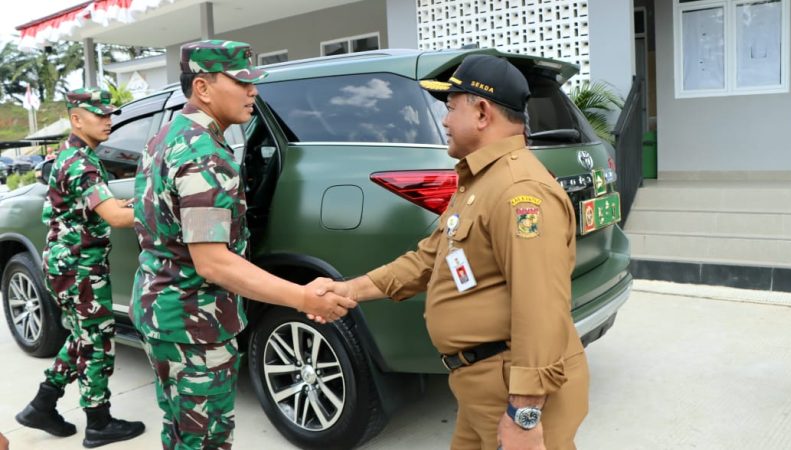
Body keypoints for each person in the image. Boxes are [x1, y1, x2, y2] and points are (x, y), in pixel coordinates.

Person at [319, 54, 590, 449]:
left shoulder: (519, 192)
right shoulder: (481, 182)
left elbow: (541, 307)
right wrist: (349, 291)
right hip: (479, 384)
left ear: (482, 112)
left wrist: (525, 416)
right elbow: (427, 259)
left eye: (450, 108)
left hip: (511, 390)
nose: (445, 121)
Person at [131, 39, 356, 450]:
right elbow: (214, 263)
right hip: (193, 327)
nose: (253, 91)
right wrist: (303, 297)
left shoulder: (166, 137)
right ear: (203, 88)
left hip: (161, 314)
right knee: (207, 439)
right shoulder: (203, 156)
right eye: (242, 82)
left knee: (180, 429)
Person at [16, 88, 145, 448]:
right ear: (76, 119)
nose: (109, 120)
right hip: (79, 269)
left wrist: (124, 202)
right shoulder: (81, 163)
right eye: (100, 114)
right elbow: (116, 218)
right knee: (98, 343)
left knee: (82, 338)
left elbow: (88, 207)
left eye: (109, 114)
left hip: (68, 264)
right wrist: (161, 205)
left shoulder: (74, 156)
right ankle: (99, 422)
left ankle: (42, 404)